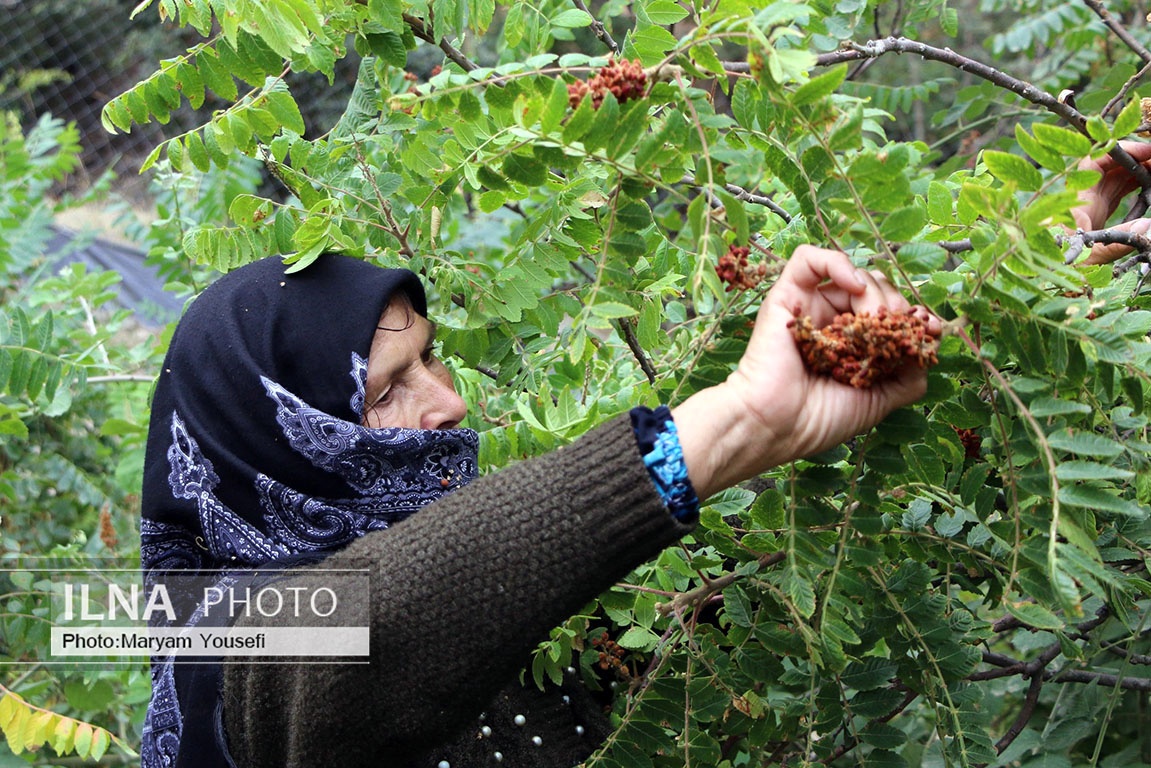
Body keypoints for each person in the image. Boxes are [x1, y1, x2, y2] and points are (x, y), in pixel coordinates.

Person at [138, 245, 937, 768]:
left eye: (430, 358)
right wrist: (740, 419)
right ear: (273, 436)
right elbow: (388, 617)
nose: (448, 402)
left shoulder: (489, 576)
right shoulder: (231, 644)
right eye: (384, 391)